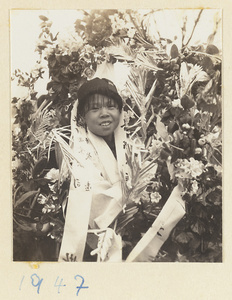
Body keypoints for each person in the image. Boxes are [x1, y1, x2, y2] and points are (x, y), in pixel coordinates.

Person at [58, 77, 127, 262]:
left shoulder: (131, 144)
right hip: (95, 243)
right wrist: (132, 194)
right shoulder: (77, 152)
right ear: (82, 116)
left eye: (111, 107)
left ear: (120, 112)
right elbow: (95, 197)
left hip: (134, 235)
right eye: (95, 109)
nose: (104, 113)